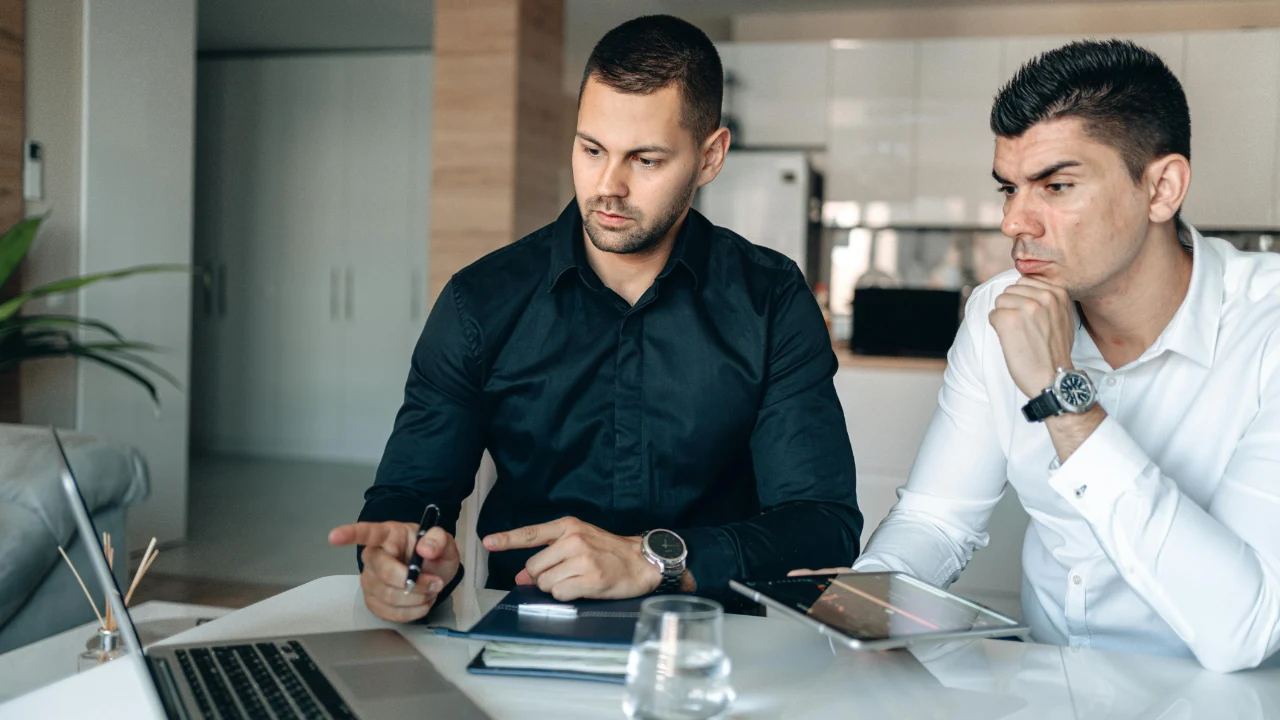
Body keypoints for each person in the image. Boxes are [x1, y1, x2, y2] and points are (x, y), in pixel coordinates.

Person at [328, 15, 862, 623]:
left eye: (646, 160)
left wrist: (656, 559)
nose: (607, 186)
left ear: (710, 156)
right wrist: (405, 561)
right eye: (591, 149)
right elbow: (410, 493)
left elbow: (824, 527)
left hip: (714, 644)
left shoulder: (772, 299)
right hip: (526, 627)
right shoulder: (479, 302)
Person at [797, 40, 1280, 672]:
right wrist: (869, 599)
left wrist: (1063, 396)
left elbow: (1242, 629)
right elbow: (938, 522)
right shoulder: (999, 311)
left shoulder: (1266, 331)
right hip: (1045, 689)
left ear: (1162, 188)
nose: (1014, 223)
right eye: (1009, 189)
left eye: (1056, 185)